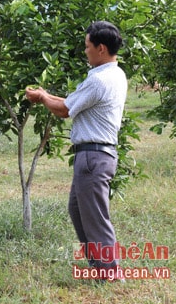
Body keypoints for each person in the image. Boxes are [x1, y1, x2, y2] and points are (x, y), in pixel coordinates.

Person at [25, 21, 127, 281]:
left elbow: (64, 110)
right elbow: (70, 102)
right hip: (95, 155)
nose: (85, 51)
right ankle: (100, 268)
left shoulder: (99, 80)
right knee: (79, 210)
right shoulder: (114, 74)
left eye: (87, 46)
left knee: (95, 216)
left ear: (101, 48)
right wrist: (46, 95)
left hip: (93, 156)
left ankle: (110, 274)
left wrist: (42, 98)